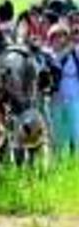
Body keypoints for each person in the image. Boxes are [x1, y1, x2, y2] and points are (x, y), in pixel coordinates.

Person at [48, 23, 79, 153]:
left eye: (62, 36)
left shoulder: (75, 53)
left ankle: (74, 160)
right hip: (56, 99)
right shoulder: (48, 54)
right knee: (58, 134)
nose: (59, 39)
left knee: (74, 132)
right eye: (56, 36)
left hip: (73, 96)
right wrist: (65, 51)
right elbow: (54, 64)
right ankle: (59, 162)